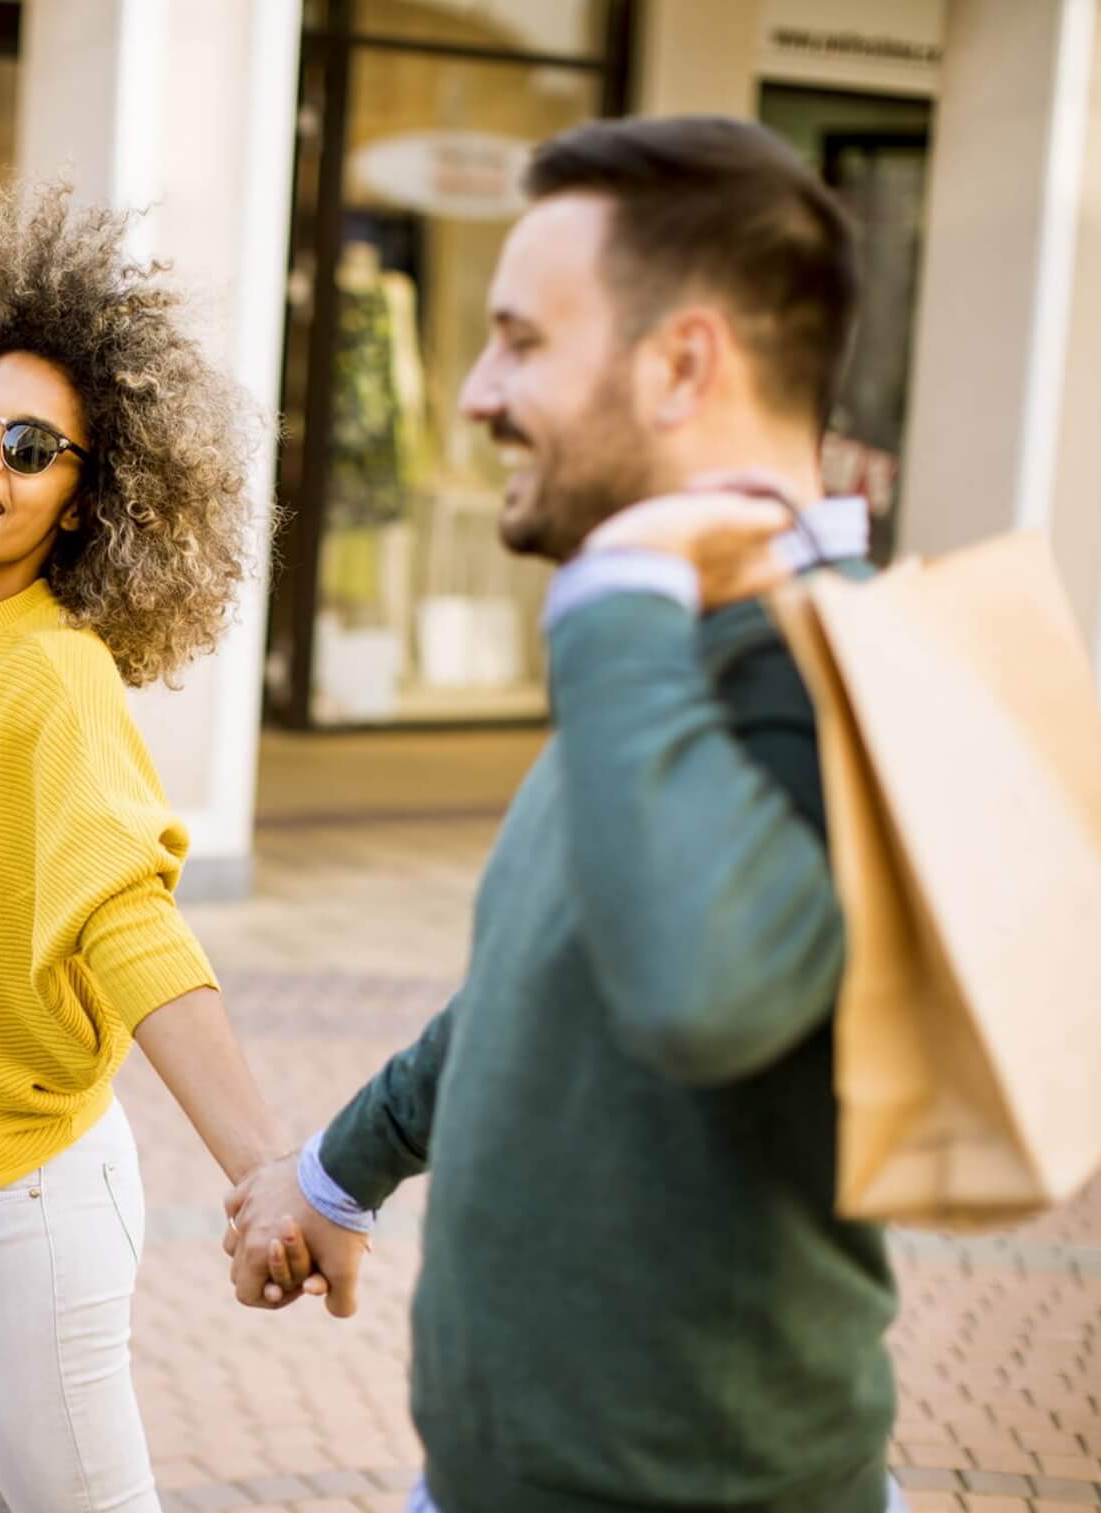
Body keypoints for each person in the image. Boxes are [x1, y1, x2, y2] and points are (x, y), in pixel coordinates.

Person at [225, 116, 904, 1513]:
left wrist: (613, 599)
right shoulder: (670, 643)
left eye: (522, 341)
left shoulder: (824, 678)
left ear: (682, 363)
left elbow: (695, 992)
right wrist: (339, 1171)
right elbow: (538, 986)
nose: (475, 393)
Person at [0, 183, 305, 1513]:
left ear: (86, 504)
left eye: (35, 448)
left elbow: (128, 923)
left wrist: (262, 1164)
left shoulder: (54, 680)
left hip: (12, 1202)